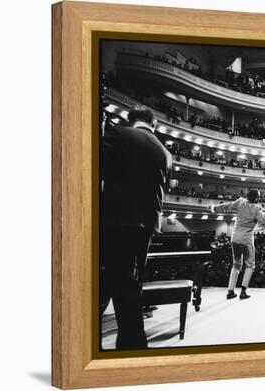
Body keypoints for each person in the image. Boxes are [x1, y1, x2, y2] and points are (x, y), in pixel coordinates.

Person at [100, 105, 172, 350]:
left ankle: (132, 345)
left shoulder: (119, 133)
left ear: (131, 120)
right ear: (154, 125)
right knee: (127, 282)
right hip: (147, 225)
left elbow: (95, 168)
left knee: (117, 283)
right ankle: (129, 345)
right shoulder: (164, 152)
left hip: (115, 219)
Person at [207, 189, 265, 300]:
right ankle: (243, 291)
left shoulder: (239, 202)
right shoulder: (256, 209)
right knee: (250, 265)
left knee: (236, 265)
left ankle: (230, 291)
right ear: (256, 198)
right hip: (246, 240)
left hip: (235, 239)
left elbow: (226, 206)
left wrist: (213, 208)